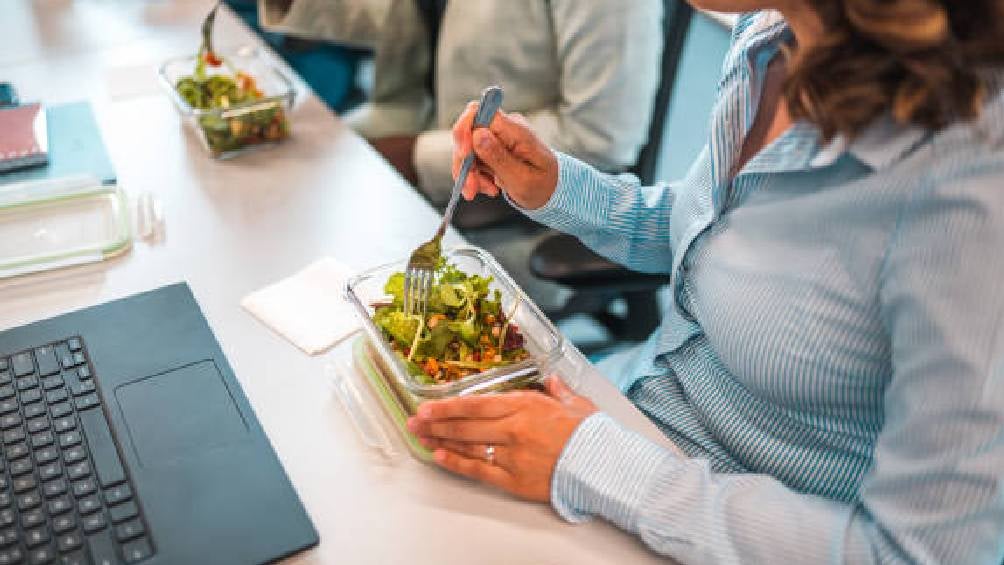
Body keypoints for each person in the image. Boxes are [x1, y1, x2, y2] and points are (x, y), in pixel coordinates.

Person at [406, 1, 1004, 562]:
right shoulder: (766, 39)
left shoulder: (967, 193)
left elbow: (914, 553)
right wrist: (556, 186)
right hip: (619, 421)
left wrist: (597, 460)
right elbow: (717, 240)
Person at [258, 0, 663, 205]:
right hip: (418, 121)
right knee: (271, 177)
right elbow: (408, 18)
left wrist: (416, 156)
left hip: (509, 207)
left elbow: (600, 138)